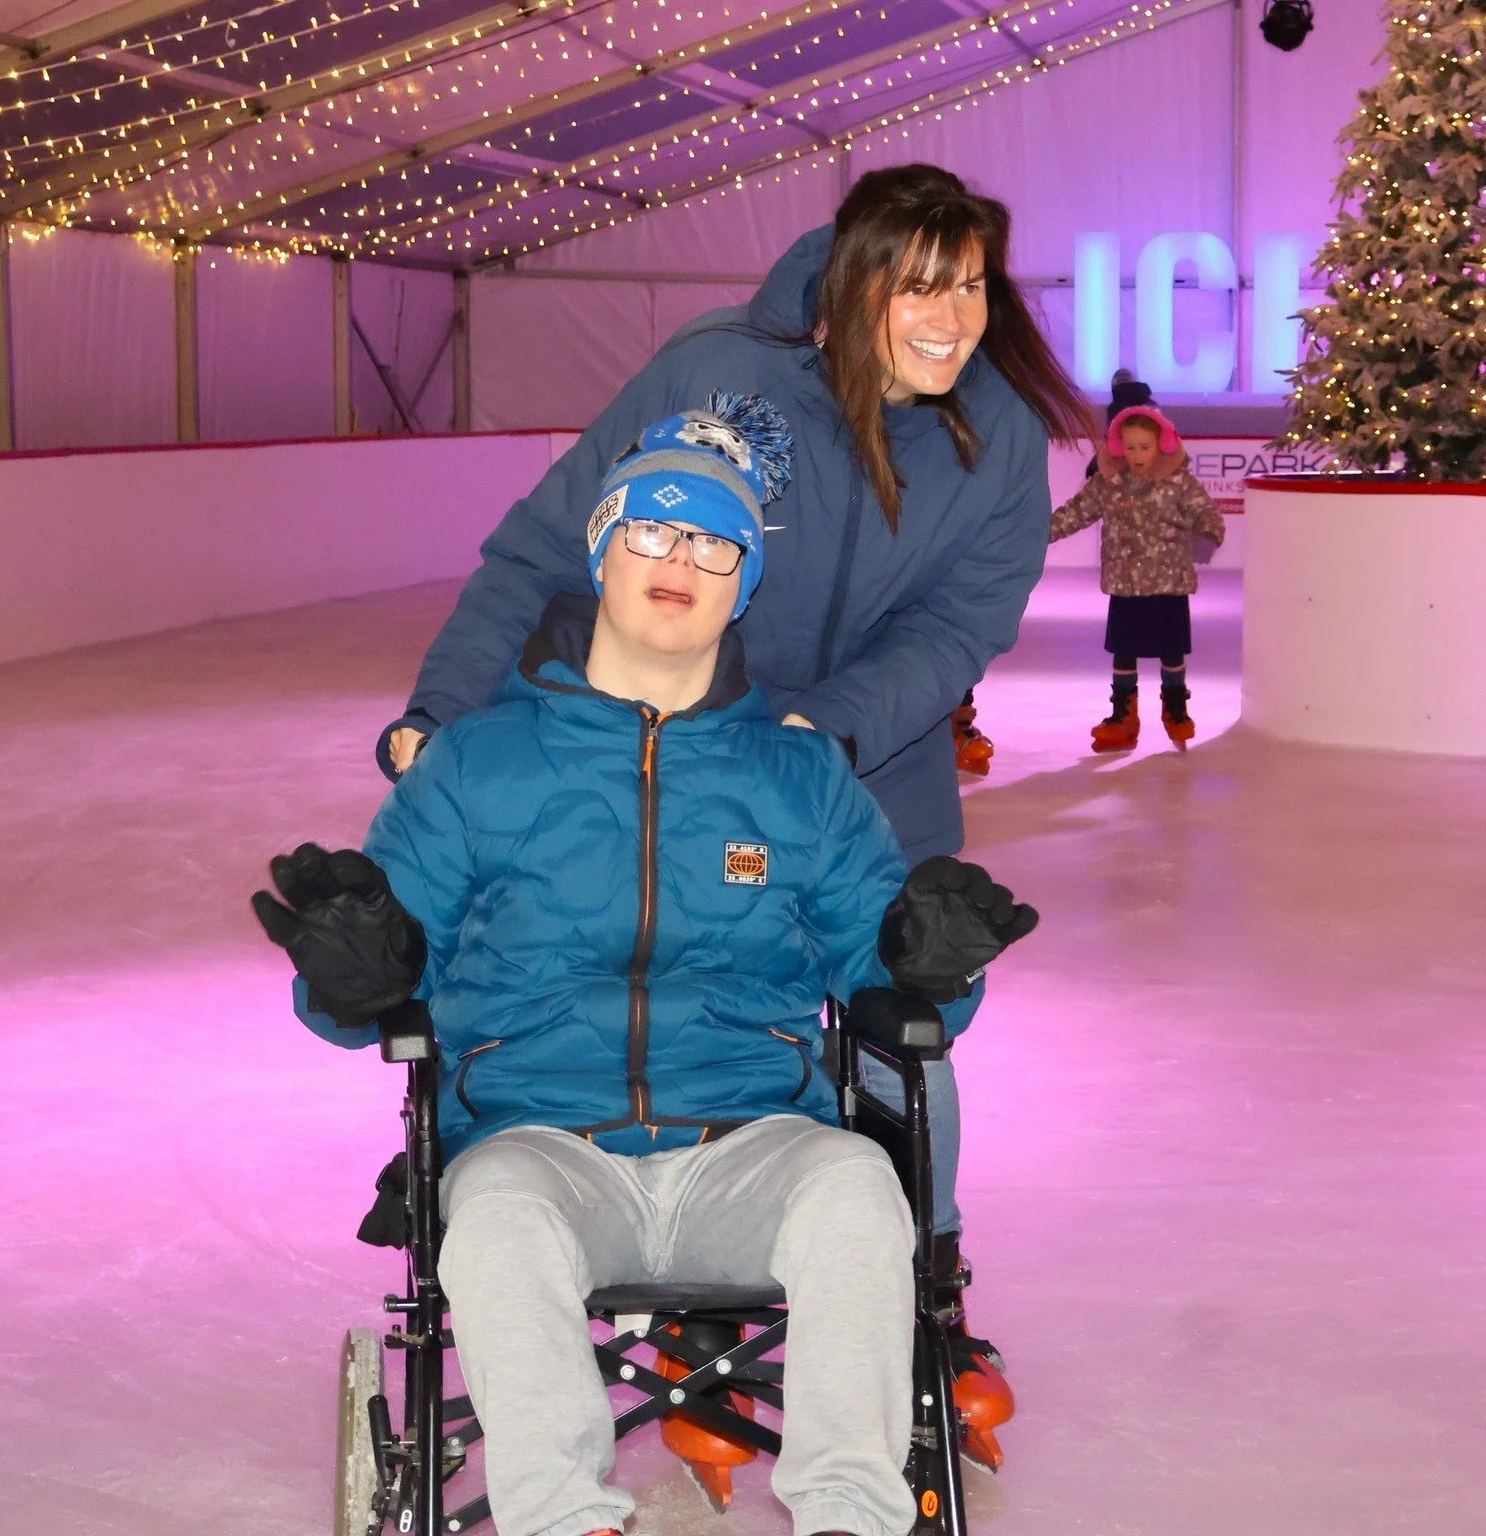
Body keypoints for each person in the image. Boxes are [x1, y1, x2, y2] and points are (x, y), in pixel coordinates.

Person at [253, 402, 1037, 1536]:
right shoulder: (481, 765)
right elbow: (365, 981)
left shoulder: (799, 778)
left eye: (716, 543)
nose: (682, 562)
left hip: (748, 1145)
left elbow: (890, 970)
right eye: (653, 532)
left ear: (745, 580)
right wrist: (354, 974)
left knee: (860, 1190)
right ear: (603, 548)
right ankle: (569, 1520)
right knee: (500, 1222)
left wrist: (931, 963)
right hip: (539, 1142)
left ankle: (853, 1518)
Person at [374, 164, 1092, 1387]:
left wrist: (828, 730)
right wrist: (443, 710)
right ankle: (674, 1231)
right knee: (662, 955)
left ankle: (928, 1273)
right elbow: (547, 546)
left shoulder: (1002, 435)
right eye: (920, 286)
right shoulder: (723, 371)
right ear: (858, 282)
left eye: (971, 285)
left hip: (868, 767)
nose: (953, 316)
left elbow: (962, 627)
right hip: (668, 725)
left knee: (903, 1021)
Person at [1048, 404, 1225, 750]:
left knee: (1171, 649)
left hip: (1168, 583)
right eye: (1130, 447)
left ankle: (1175, 707)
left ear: (1161, 444)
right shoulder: (1109, 482)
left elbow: (1208, 514)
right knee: (1123, 650)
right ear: (1118, 446)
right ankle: (1122, 715)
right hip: (1125, 583)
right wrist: (1038, 532)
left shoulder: (1179, 482)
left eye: (1144, 447)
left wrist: (1206, 539)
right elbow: (1077, 512)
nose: (1137, 454)